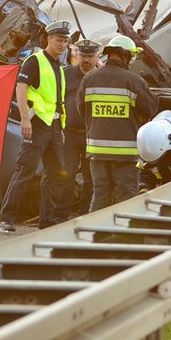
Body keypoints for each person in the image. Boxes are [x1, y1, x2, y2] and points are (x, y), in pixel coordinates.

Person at [0, 20, 71, 233]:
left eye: (66, 41)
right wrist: (25, 119)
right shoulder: (35, 61)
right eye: (59, 40)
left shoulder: (59, 66)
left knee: (56, 173)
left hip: (54, 126)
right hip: (37, 124)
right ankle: (6, 219)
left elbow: (58, 100)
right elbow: (21, 88)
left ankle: (47, 221)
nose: (63, 44)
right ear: (49, 39)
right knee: (25, 170)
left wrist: (61, 128)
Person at [77, 34, 158, 211]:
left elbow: (81, 110)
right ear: (126, 55)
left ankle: (93, 235)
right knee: (126, 198)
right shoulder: (135, 81)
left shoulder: (89, 79)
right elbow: (150, 109)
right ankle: (121, 236)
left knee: (100, 195)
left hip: (96, 152)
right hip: (125, 153)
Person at [62, 39, 101, 216]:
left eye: (90, 56)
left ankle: (86, 214)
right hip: (69, 135)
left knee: (91, 178)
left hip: (92, 135)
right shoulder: (66, 74)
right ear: (77, 55)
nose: (86, 60)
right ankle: (63, 214)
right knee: (66, 176)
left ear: (97, 56)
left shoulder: (102, 77)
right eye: (83, 55)